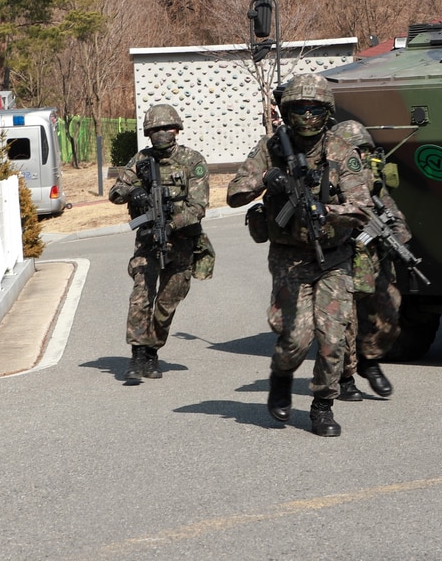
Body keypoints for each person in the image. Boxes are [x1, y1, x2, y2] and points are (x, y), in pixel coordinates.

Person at [227, 74, 373, 438]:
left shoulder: (340, 150)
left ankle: (322, 406)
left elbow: (362, 207)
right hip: (289, 257)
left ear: (327, 113)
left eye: (315, 110)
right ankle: (280, 378)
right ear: (287, 112)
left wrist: (329, 212)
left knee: (332, 338)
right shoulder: (270, 147)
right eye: (299, 109)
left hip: (334, 256)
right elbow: (234, 193)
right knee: (295, 338)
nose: (307, 116)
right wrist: (268, 177)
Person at [108, 103, 210, 381]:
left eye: (167, 128)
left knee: (166, 303)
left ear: (177, 129)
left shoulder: (192, 161)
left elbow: (199, 206)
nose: (162, 133)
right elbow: (115, 192)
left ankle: (152, 351)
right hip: (148, 240)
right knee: (141, 294)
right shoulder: (140, 160)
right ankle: (137, 354)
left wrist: (171, 223)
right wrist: (135, 192)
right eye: (155, 129)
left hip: (181, 242)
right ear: (148, 133)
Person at [330, 120, 410, 402]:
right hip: (341, 258)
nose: (362, 157)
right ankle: (346, 377)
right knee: (345, 321)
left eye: (365, 151)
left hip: (373, 258)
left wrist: (398, 235)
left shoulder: (373, 181)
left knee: (389, 311)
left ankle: (369, 358)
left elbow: (390, 210)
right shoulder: (330, 179)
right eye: (356, 151)